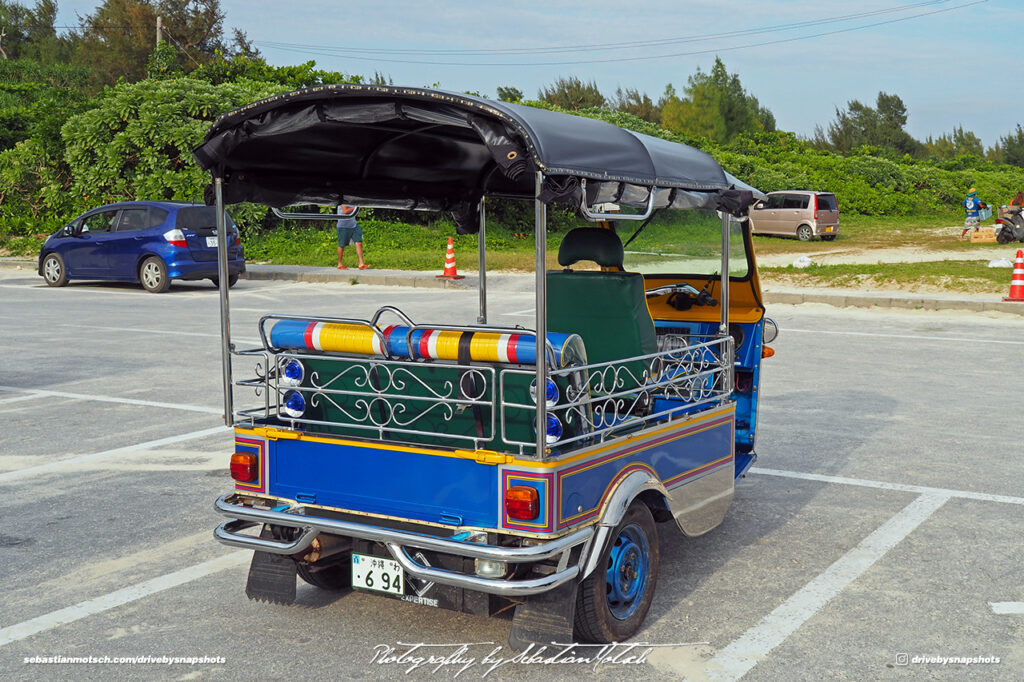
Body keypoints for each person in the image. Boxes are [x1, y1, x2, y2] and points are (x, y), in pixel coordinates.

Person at [336, 204, 368, 269]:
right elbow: (345, 211)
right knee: (341, 245)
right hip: (343, 226)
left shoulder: (352, 201)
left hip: (353, 225)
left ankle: (361, 264)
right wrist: (357, 207)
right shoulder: (343, 201)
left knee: (359, 242)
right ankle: (340, 264)